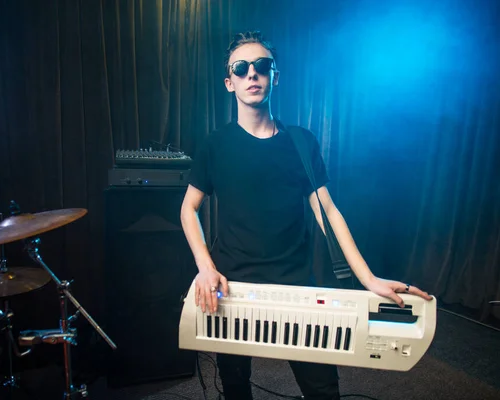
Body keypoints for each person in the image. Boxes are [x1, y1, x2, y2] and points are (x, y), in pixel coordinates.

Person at [180, 31, 433, 400]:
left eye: (262, 66)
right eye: (242, 68)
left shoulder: (301, 141)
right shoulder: (215, 145)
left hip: (296, 284)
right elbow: (189, 207)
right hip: (234, 286)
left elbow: (328, 211)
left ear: (275, 77)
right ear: (229, 82)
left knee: (322, 389)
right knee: (235, 388)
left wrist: (368, 278)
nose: (253, 74)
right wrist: (205, 266)